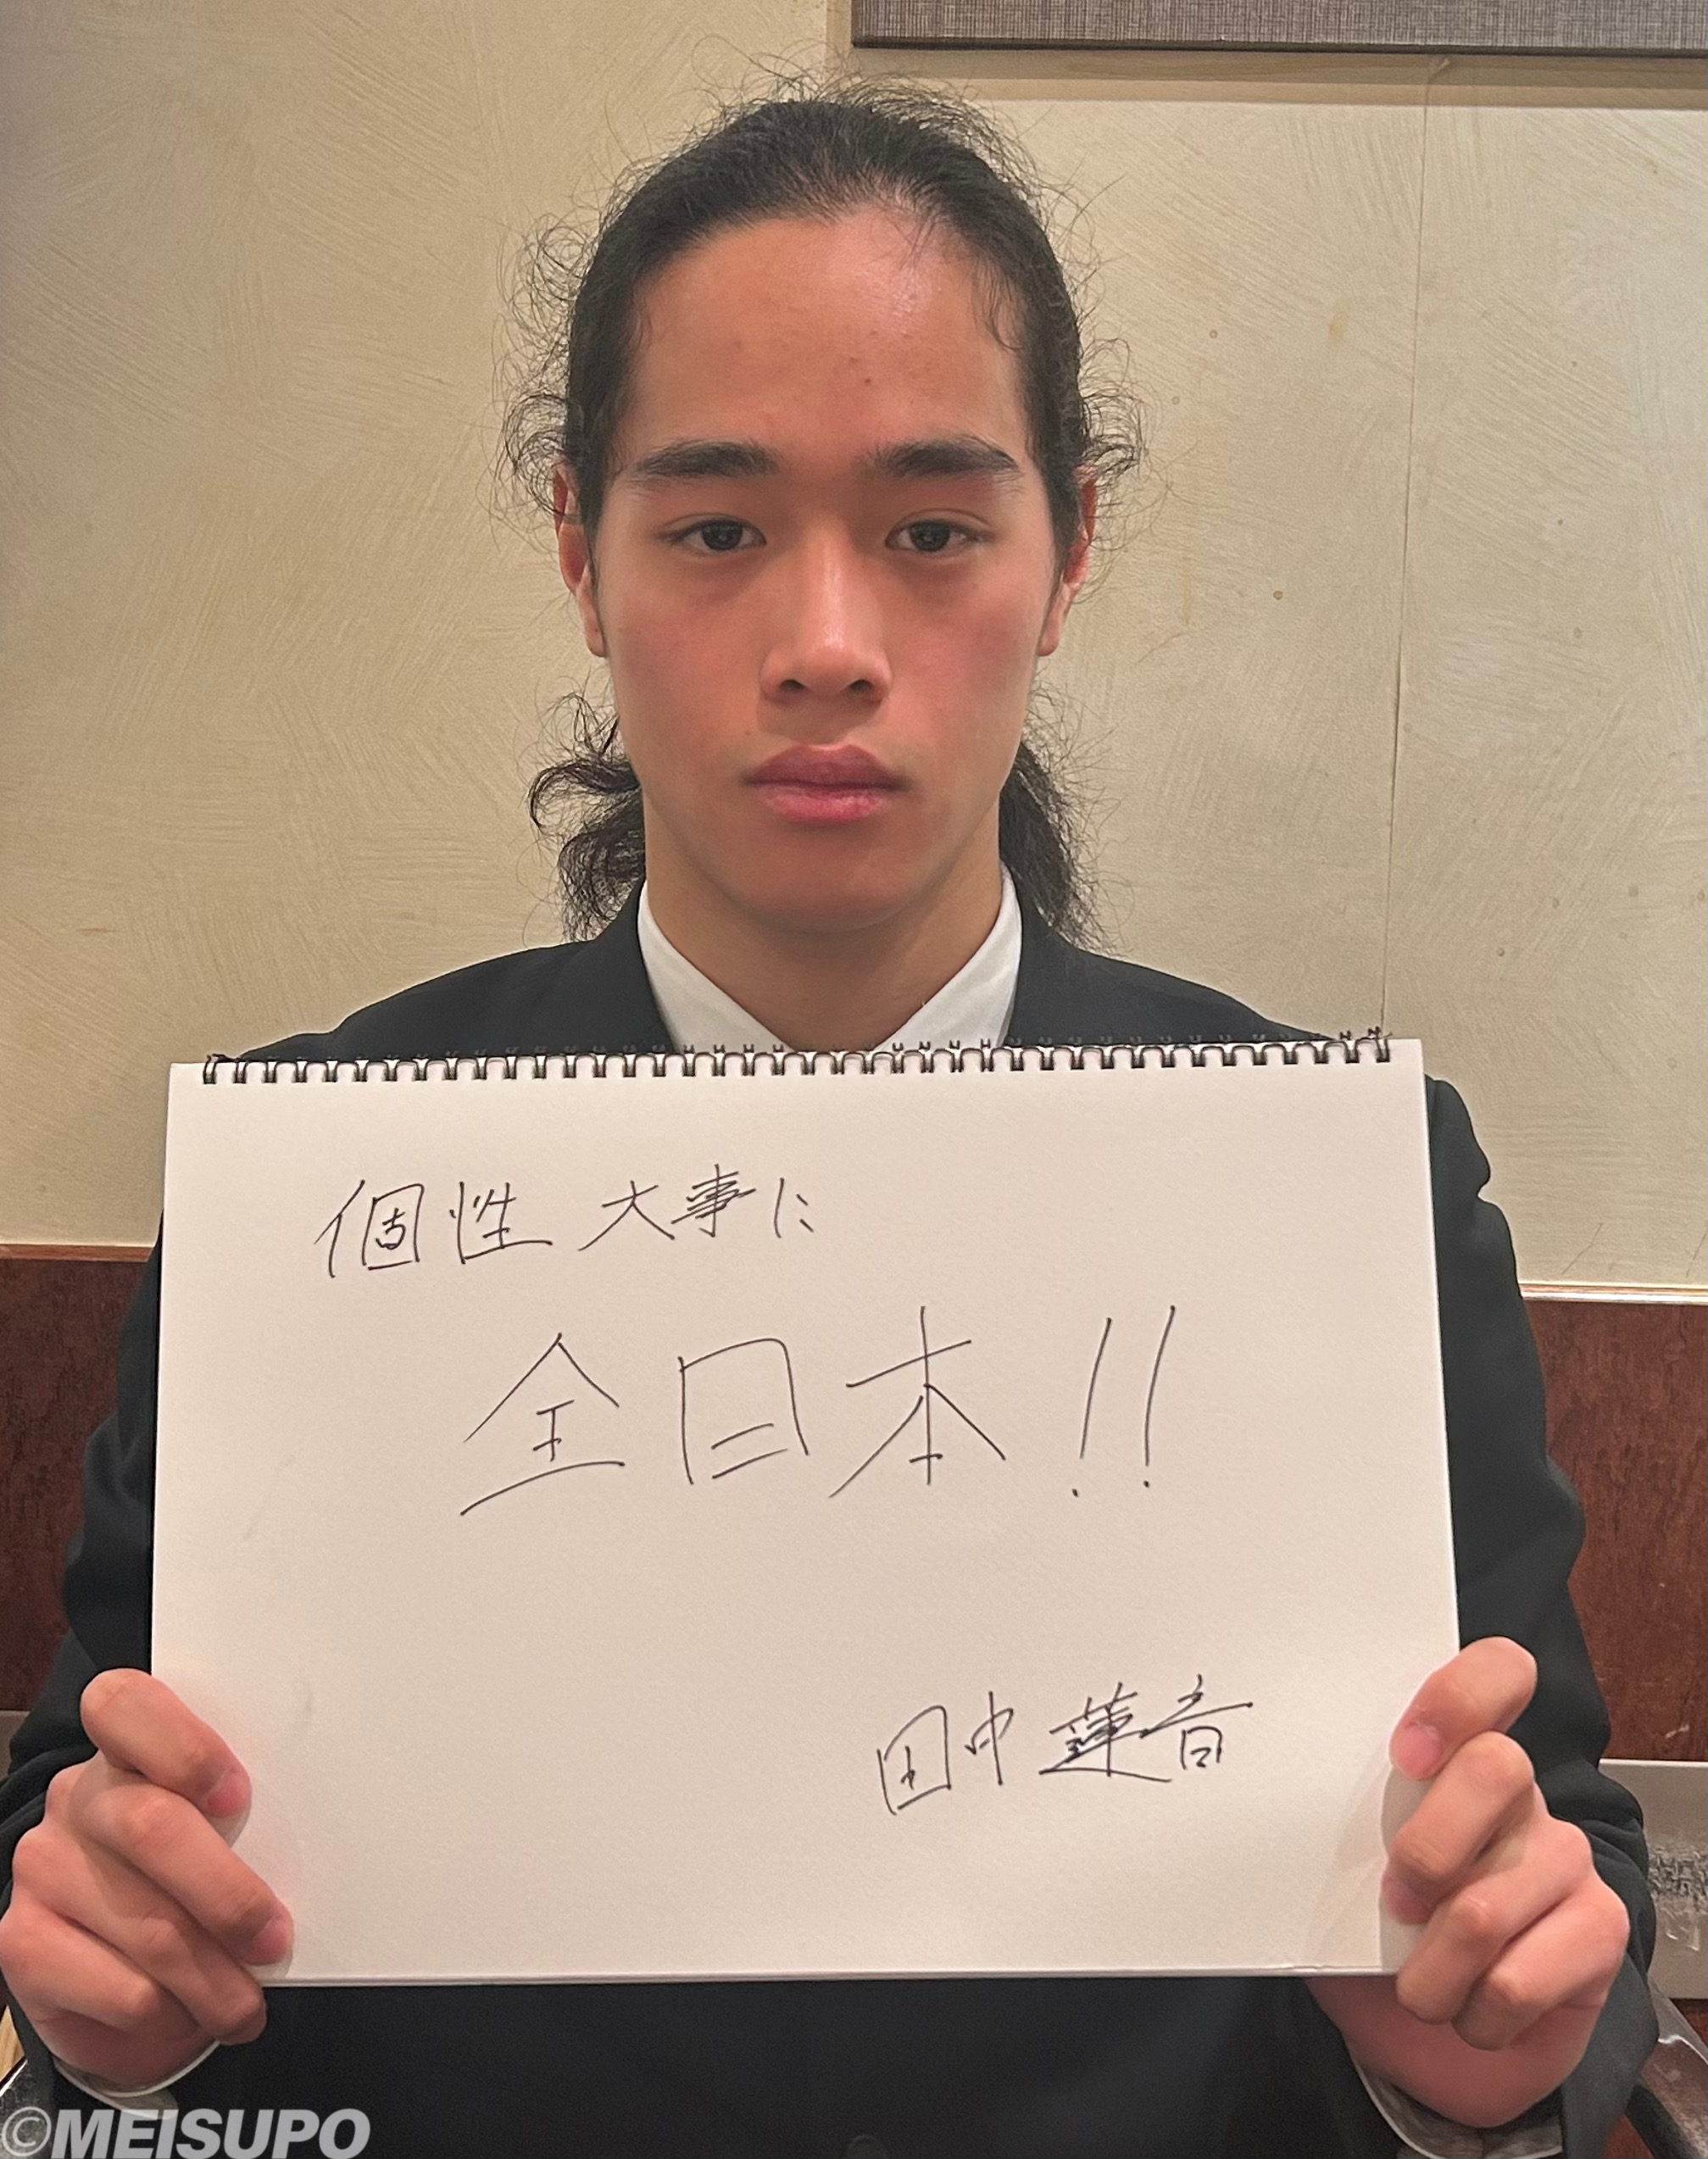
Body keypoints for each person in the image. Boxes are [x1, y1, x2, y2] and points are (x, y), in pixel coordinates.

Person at [0, 81, 1656, 2159]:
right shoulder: (306, 1185)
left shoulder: (1346, 1191)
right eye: (716, 529)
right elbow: (85, 1831)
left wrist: (1480, 2061)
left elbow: (1559, 1847)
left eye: (933, 530)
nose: (828, 646)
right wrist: (108, 2013)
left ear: (1068, 553)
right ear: (578, 552)